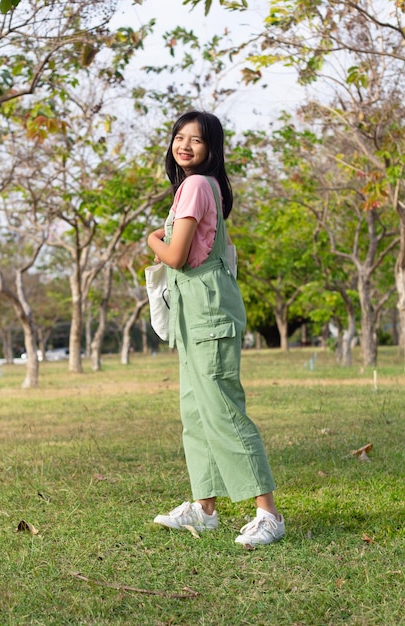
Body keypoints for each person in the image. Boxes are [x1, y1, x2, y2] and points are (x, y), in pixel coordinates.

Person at [147, 110, 285, 547]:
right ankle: (204, 509)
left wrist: (151, 238)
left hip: (207, 312)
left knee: (223, 409)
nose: (185, 146)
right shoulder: (202, 188)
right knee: (196, 410)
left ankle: (269, 514)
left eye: (198, 141)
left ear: (211, 150)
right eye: (180, 137)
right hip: (196, 311)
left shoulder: (195, 186)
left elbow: (175, 256)